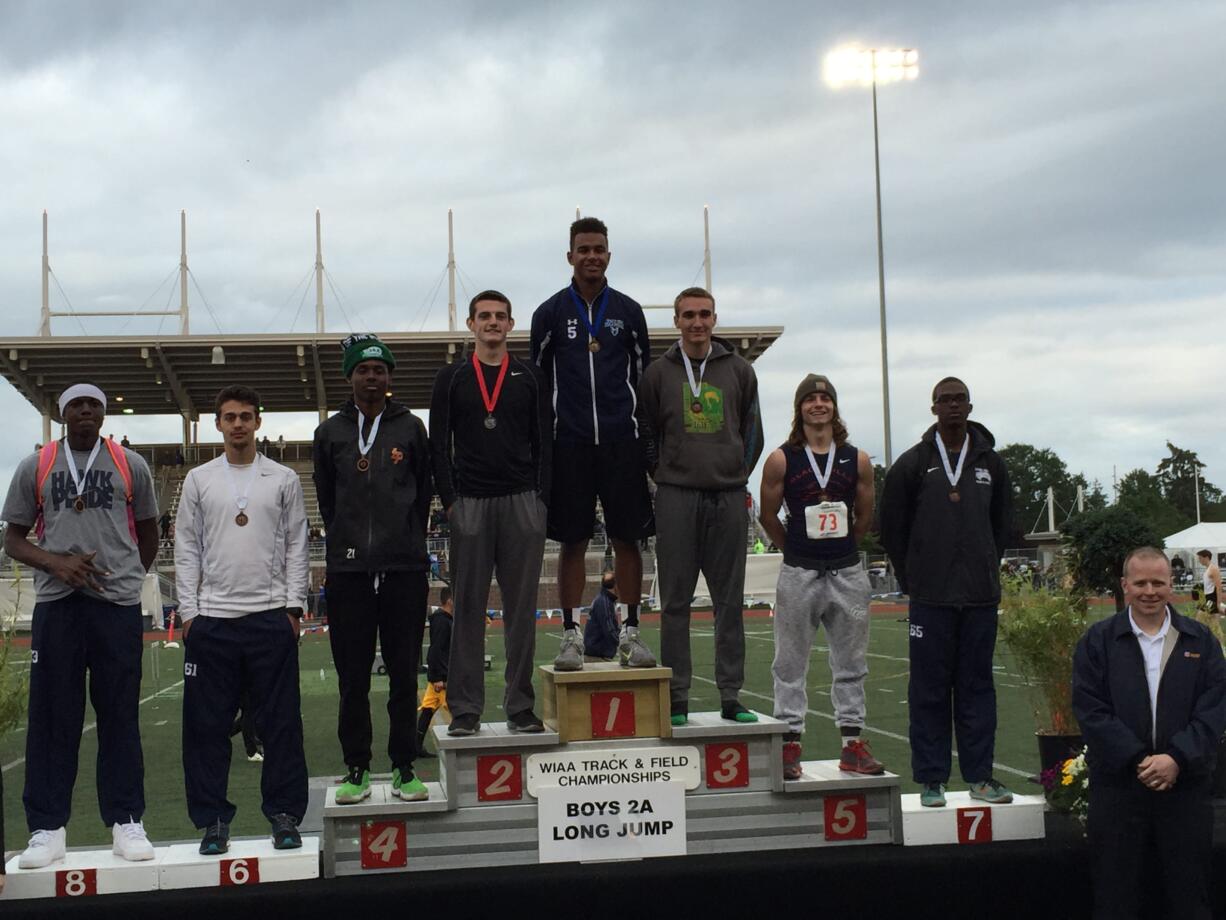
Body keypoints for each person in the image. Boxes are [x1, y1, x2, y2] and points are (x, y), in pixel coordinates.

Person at [1, 383, 159, 867]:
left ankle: (126, 820)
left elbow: (149, 530)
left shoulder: (131, 465)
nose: (85, 411)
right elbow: (13, 538)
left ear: (104, 414)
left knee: (119, 716)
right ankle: (48, 828)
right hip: (58, 605)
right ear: (63, 413)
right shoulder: (38, 464)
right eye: (77, 405)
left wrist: (125, 579)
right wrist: (56, 564)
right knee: (52, 719)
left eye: (94, 404)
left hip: (114, 607)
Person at [175, 385, 309, 854]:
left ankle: (285, 814)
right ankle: (213, 820)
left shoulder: (283, 479)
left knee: (281, 725)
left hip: (270, 617)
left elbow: (297, 544)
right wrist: (189, 613)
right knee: (206, 728)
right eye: (229, 417)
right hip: (212, 621)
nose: (238, 425)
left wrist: (294, 608)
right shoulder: (199, 480)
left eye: (246, 416)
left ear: (258, 421)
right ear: (217, 424)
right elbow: (187, 547)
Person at [879, 377, 1013, 807]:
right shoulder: (914, 463)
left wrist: (985, 567)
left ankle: (980, 776)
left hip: (979, 598)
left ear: (970, 406)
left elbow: (1002, 526)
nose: (952, 406)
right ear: (933, 408)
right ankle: (932, 779)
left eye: (959, 400)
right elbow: (892, 529)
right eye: (944, 400)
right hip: (930, 598)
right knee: (929, 689)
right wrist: (911, 577)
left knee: (977, 688)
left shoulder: (991, 463)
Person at [1072, 547, 1226, 919]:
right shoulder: (1099, 640)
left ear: (1172, 585)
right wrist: (1139, 760)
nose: (1149, 591)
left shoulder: (1199, 640)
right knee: (1116, 899)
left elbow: (1216, 706)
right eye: (1140, 583)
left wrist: (1176, 758)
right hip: (1119, 791)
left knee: (1189, 898)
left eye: (1158, 582)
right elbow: (1091, 710)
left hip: (1185, 791)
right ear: (1125, 586)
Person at [531, 216, 656, 672]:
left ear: (608, 254)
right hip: (571, 445)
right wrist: (544, 448)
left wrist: (645, 442)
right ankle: (569, 634)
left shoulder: (628, 311)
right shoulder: (549, 313)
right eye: (583, 249)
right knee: (572, 541)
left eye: (599, 248)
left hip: (621, 442)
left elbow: (644, 381)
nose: (591, 256)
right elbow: (539, 386)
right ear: (570, 256)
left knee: (629, 539)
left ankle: (631, 631)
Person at [313, 333, 432, 803]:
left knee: (404, 673)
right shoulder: (330, 433)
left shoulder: (411, 428)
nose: (372, 376)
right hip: (348, 573)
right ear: (350, 376)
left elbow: (423, 491)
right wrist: (347, 541)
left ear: (389, 377)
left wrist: (406, 538)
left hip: (403, 567)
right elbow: (327, 498)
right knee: (353, 678)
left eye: (380, 369)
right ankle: (357, 768)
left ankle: (403, 766)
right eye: (363, 369)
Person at [637, 287, 764, 725]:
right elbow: (646, 431)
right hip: (676, 496)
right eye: (688, 315)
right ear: (676, 321)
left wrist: (735, 473)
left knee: (729, 601)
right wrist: (663, 472)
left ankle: (731, 695)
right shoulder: (657, 373)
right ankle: (677, 698)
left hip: (727, 495)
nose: (697, 322)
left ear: (714, 318)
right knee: (674, 602)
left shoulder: (740, 371)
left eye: (704, 314)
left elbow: (753, 432)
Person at [430, 291, 551, 736]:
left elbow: (544, 445)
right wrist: (450, 502)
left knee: (521, 611)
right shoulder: (452, 378)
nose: (493, 323)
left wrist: (541, 502)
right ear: (471, 324)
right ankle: (465, 710)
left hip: (522, 501)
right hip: (471, 504)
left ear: (511, 324)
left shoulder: (531, 377)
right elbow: (438, 446)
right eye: (485, 316)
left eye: (500, 316)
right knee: (467, 610)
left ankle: (520, 706)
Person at [758, 375, 884, 779]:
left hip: (846, 571)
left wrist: (844, 546)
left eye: (825, 398)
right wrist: (792, 548)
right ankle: (790, 744)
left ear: (834, 407)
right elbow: (768, 515)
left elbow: (863, 517)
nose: (818, 404)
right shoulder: (781, 459)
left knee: (851, 661)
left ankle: (852, 745)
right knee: (789, 662)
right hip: (799, 572)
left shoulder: (857, 459)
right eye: (810, 399)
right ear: (799, 408)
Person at [415, 586, 454, 757]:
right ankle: (465, 746)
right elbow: (436, 650)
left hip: (440, 674)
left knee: (428, 710)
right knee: (460, 711)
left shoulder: (446, 620)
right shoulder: (442, 621)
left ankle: (415, 747)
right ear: (449, 601)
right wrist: (437, 677)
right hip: (442, 676)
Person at [583, 571, 621, 660]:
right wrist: (623, 642)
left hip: (595, 653)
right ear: (615, 585)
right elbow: (609, 628)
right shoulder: (605, 602)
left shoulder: (603, 599)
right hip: (598, 655)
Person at [1196, 549, 1222, 614]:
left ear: (1207, 558)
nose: (1199, 560)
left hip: (1212, 598)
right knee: (1210, 619)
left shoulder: (1213, 569)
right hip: (1207, 597)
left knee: (1201, 616)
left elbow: (1219, 587)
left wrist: (1219, 603)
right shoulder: (1208, 569)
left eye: (1200, 558)